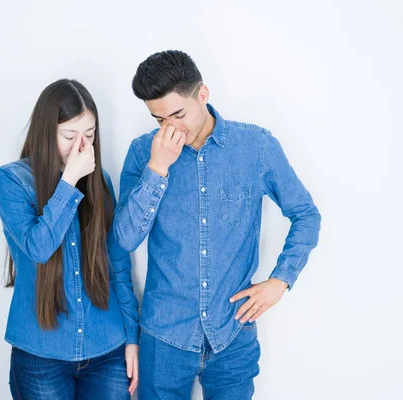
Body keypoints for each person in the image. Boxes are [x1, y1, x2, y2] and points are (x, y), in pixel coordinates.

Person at [114, 50, 321, 399]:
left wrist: (281, 280)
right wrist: (158, 169)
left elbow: (306, 214)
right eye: (159, 119)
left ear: (203, 95)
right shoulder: (143, 153)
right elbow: (124, 239)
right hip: (164, 337)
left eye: (178, 114)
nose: (170, 128)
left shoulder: (256, 146)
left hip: (233, 334)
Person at [0, 79, 139, 399]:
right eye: (70, 136)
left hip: (108, 349)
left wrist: (132, 337)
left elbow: (117, 265)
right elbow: (39, 248)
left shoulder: (100, 181)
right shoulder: (12, 180)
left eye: (89, 135)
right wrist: (70, 179)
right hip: (40, 355)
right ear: (47, 132)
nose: (82, 146)